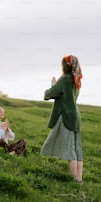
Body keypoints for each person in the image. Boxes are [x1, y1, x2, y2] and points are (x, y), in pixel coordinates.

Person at [40, 55, 83, 183]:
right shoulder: (77, 80)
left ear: (65, 65)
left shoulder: (64, 79)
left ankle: (75, 180)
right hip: (75, 116)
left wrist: (52, 85)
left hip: (66, 116)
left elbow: (51, 93)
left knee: (70, 150)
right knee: (77, 149)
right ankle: (79, 179)